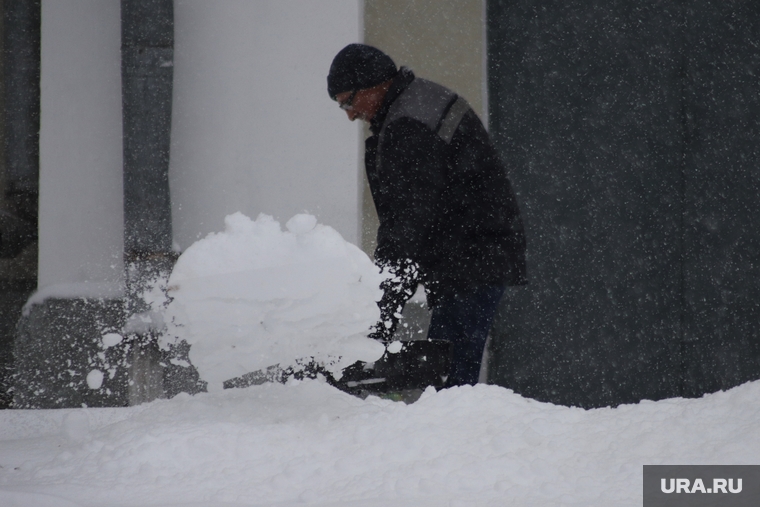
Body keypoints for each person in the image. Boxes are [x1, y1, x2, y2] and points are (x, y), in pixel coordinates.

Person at [327, 44, 527, 387]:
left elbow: (408, 223)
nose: (349, 114)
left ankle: (456, 438)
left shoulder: (410, 124)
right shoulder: (414, 106)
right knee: (448, 377)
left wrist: (382, 312)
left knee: (450, 385)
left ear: (374, 83)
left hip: (472, 261)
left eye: (348, 101)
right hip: (474, 256)